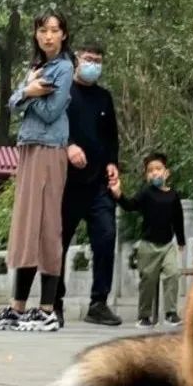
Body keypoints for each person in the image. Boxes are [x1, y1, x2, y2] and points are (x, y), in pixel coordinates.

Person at [0, 12, 73, 332]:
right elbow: (11, 102)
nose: (48, 36)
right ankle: (17, 306)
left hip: (50, 149)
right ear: (36, 35)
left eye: (54, 30)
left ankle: (47, 308)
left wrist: (28, 95)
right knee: (25, 225)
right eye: (42, 30)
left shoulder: (64, 68)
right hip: (29, 148)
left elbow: (51, 112)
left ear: (63, 35)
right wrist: (28, 90)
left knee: (47, 225)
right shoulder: (36, 69)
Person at [56, 43, 123, 327]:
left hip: (98, 184)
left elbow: (111, 137)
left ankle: (99, 303)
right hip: (67, 182)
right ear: (76, 60)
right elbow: (52, 126)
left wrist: (112, 163)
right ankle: (53, 301)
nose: (93, 64)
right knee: (58, 241)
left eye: (98, 60)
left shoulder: (104, 98)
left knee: (106, 237)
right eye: (88, 59)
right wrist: (69, 146)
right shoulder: (63, 94)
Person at [109, 151, 186, 329]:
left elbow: (178, 219)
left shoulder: (173, 196)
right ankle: (144, 316)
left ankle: (170, 313)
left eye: (158, 169)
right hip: (148, 245)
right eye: (150, 171)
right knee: (148, 281)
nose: (155, 173)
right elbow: (130, 205)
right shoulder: (146, 193)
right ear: (146, 175)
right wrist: (118, 195)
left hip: (167, 245)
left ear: (167, 172)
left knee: (173, 273)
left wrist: (181, 241)